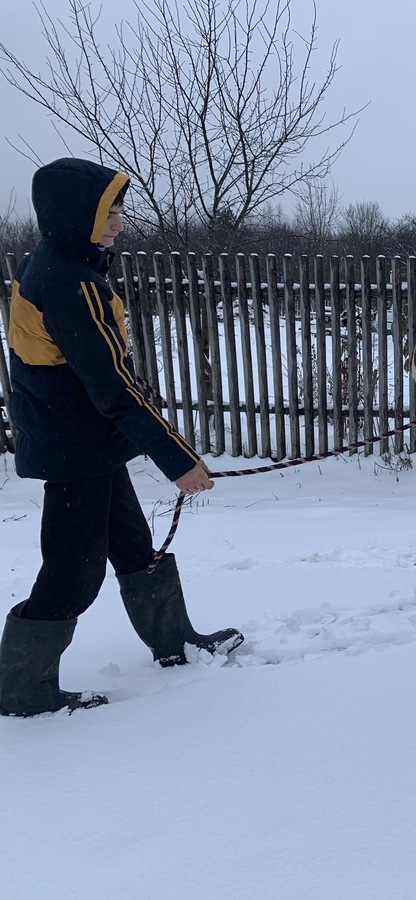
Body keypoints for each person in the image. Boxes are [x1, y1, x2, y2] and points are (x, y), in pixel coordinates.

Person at [0, 158, 243, 717]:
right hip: (74, 452)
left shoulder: (54, 263)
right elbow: (113, 388)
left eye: (119, 210)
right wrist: (177, 459)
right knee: (72, 574)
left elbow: (100, 374)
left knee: (135, 548)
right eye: (110, 211)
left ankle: (175, 644)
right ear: (76, 214)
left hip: (85, 443)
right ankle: (24, 691)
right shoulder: (71, 284)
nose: (120, 223)